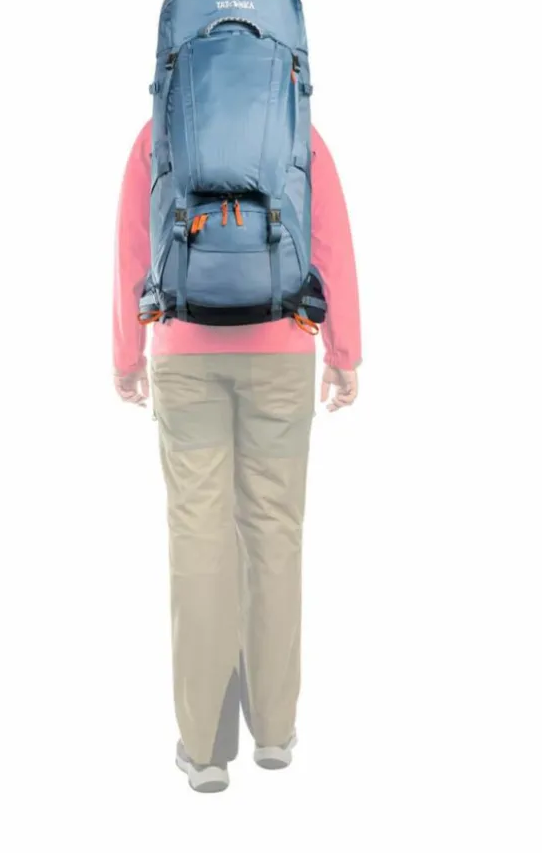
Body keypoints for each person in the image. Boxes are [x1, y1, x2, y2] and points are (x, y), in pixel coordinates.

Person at [113, 119, 361, 792]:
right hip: (282, 347)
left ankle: (203, 749)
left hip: (183, 350)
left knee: (198, 538)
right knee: (275, 532)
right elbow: (329, 240)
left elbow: (134, 244)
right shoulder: (293, 122)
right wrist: (343, 350)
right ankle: (275, 732)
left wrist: (127, 352)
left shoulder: (162, 126)